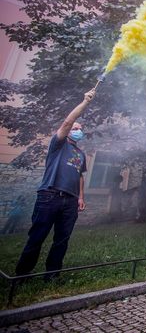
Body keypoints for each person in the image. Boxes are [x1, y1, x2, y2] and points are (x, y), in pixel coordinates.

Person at [15, 89, 95, 280]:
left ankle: (52, 276)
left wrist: (81, 197)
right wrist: (85, 102)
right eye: (76, 128)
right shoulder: (57, 145)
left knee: (62, 240)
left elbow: (81, 175)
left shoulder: (80, 153)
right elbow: (67, 122)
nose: (78, 131)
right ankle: (22, 276)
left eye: (80, 128)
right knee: (37, 237)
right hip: (49, 196)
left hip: (70, 201)